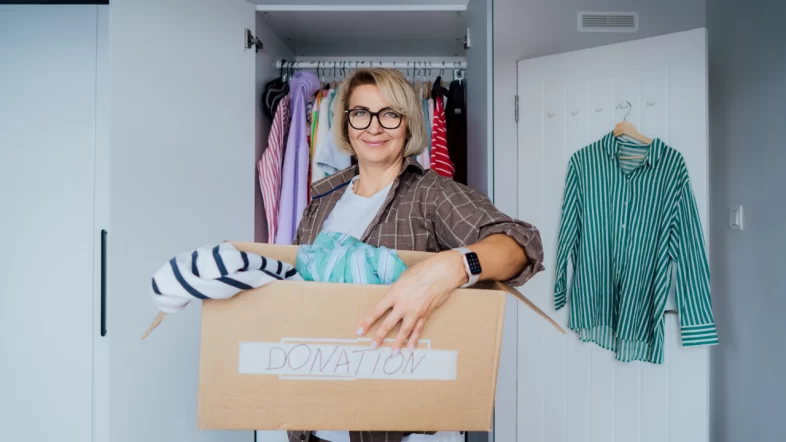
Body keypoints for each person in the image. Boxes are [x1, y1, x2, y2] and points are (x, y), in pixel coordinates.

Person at [290, 68, 545, 442]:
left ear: (409, 125)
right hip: (317, 424)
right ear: (345, 125)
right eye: (360, 113)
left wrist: (454, 266)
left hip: (401, 425)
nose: (373, 127)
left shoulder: (432, 195)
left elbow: (522, 246)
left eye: (389, 114)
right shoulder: (320, 206)